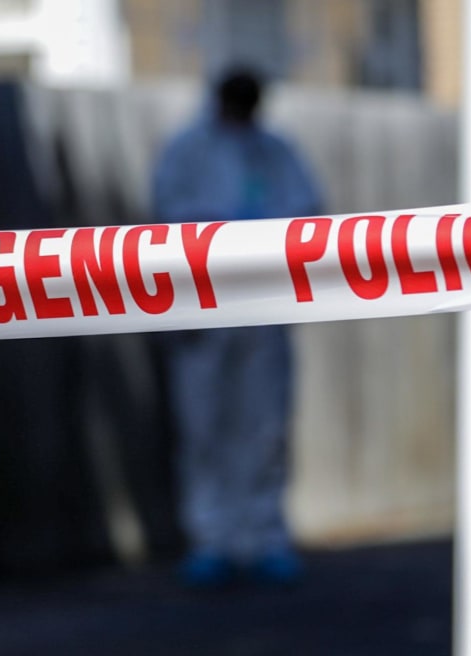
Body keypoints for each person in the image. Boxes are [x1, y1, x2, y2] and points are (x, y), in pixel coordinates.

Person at [152, 67, 323, 587]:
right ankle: (211, 539)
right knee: (204, 428)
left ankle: (265, 535)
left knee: (265, 428)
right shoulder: (187, 150)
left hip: (264, 308)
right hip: (203, 311)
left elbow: (310, 209)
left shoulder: (276, 150)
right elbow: (161, 214)